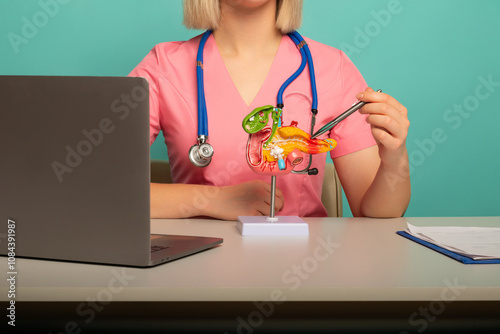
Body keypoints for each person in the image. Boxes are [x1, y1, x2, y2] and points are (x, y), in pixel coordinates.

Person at [129, 0, 411, 220]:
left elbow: (376, 213)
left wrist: (395, 158)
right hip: (198, 270)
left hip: (304, 272)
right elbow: (97, 186)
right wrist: (212, 200)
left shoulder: (332, 68)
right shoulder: (164, 67)